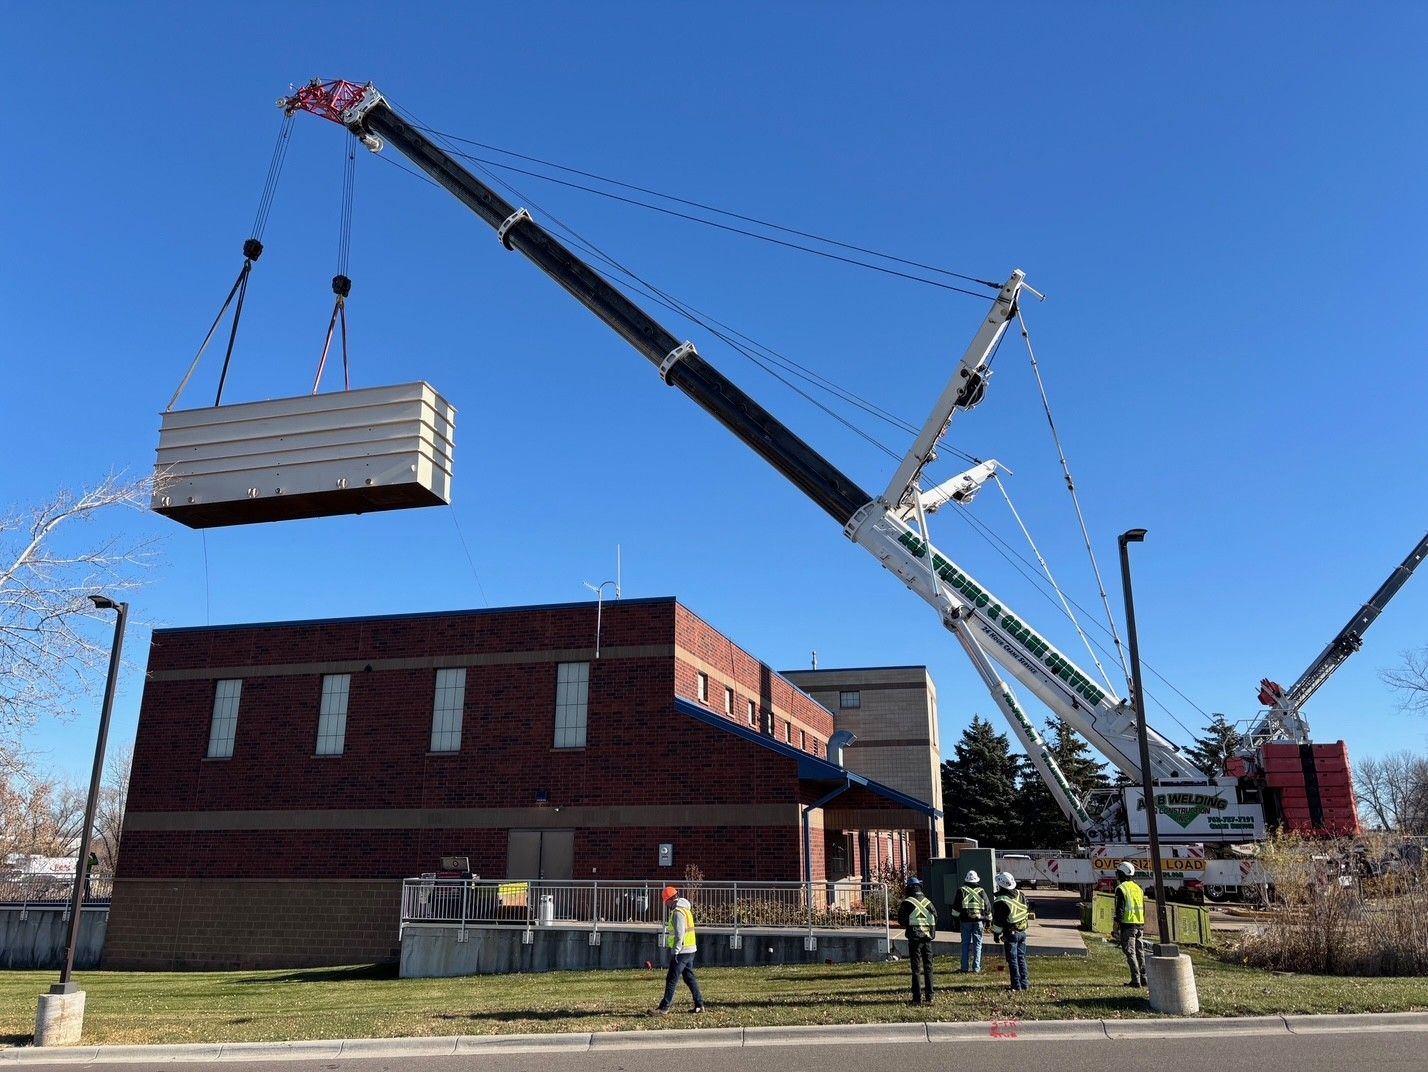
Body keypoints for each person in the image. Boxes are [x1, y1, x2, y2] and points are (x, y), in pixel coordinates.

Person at [653, 885, 705, 1014]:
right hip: (690, 949)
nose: (666, 904)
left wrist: (676, 950)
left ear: (670, 899)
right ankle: (700, 1004)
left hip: (682, 951)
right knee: (689, 977)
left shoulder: (677, 913)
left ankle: (664, 1007)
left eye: (666, 901)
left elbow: (679, 933)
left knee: (672, 979)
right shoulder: (686, 910)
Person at [896, 876, 938, 1005]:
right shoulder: (928, 902)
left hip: (914, 940)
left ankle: (917, 998)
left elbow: (901, 921)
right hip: (927, 939)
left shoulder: (907, 903)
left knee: (916, 969)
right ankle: (930, 997)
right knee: (928, 968)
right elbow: (935, 918)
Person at [991, 871, 1030, 991]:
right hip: (1022, 932)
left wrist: (996, 934)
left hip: (1010, 933)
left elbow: (998, 921)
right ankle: (1025, 984)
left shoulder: (1001, 901)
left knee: (1012, 960)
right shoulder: (1020, 894)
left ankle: (1016, 985)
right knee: (1021, 958)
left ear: (1001, 885)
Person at [1113, 861, 1147, 987]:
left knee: (1130, 952)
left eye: (1118, 873)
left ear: (1122, 874)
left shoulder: (1121, 889)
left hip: (1128, 925)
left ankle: (1135, 979)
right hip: (1139, 924)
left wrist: (1116, 926)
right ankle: (1144, 977)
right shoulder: (1138, 888)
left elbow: (1119, 909)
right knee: (1140, 951)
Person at [951, 869, 988, 973]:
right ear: (977, 880)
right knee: (978, 944)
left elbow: (956, 907)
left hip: (965, 921)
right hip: (979, 921)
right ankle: (976, 968)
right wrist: (988, 920)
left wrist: (955, 920)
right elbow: (987, 906)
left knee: (965, 944)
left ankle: (964, 968)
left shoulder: (961, 890)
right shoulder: (981, 891)